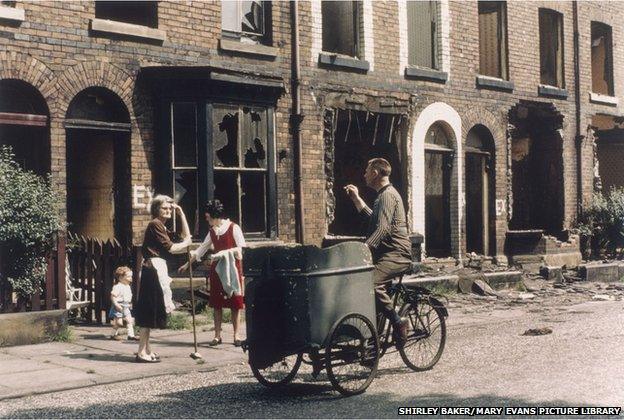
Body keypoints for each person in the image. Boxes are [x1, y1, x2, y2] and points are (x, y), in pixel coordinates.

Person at [344, 158, 412, 347]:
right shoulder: (383, 196)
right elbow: (373, 220)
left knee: (371, 284)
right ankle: (374, 339)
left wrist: (364, 248)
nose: (364, 174)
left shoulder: (387, 196)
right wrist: (356, 199)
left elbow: (382, 230)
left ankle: (399, 322)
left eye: (367, 171)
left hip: (397, 254)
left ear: (375, 173)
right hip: (387, 254)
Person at [179, 199, 246, 347]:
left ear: (215, 216)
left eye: (208, 217)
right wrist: (186, 264)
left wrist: (224, 253)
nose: (207, 219)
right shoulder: (212, 231)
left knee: (235, 302)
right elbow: (201, 249)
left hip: (232, 268)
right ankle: (217, 335)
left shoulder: (233, 228)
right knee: (217, 303)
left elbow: (242, 248)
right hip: (217, 269)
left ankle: (236, 335)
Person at [135, 195, 191, 363]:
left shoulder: (162, 227)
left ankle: (147, 349)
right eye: (164, 208)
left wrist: (181, 214)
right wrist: (186, 243)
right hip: (152, 269)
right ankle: (140, 352)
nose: (168, 211)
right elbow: (172, 248)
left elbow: (184, 236)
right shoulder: (155, 225)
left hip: (157, 268)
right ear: (156, 209)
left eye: (169, 208)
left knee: (152, 311)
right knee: (148, 311)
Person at [109, 266, 137, 341]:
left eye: (131, 276)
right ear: (121, 277)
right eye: (128, 276)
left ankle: (131, 335)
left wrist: (130, 303)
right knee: (119, 323)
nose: (131, 278)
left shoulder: (128, 286)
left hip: (126, 306)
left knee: (129, 320)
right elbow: (113, 296)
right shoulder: (117, 287)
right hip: (119, 306)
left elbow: (128, 296)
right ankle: (113, 334)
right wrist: (116, 304)